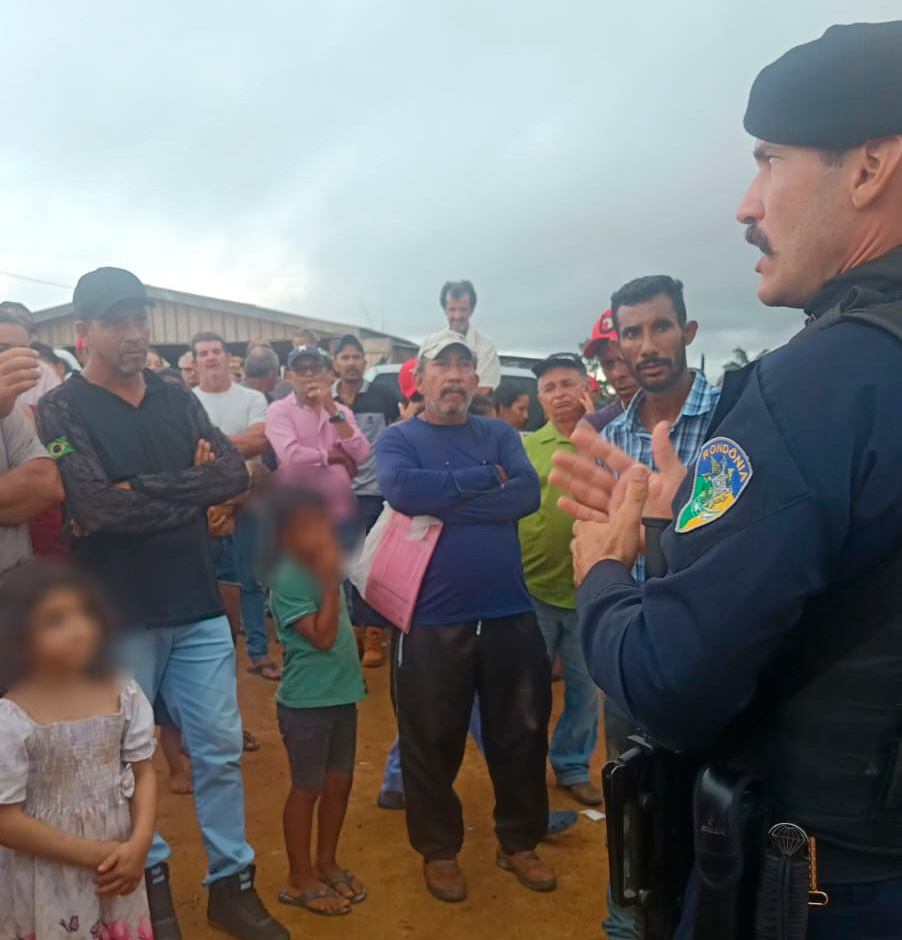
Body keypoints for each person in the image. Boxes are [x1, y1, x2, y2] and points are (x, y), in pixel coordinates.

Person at [555, 22, 902, 940]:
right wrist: (690, 525)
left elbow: (668, 678)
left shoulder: (821, 384)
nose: (746, 206)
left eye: (768, 161)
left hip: (835, 883)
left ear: (869, 168)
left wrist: (605, 567)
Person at [36, 267, 287, 940]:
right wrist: (187, 491)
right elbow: (90, 506)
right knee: (130, 762)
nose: (133, 332)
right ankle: (155, 898)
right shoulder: (61, 408)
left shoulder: (175, 397)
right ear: (84, 332)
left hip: (198, 606)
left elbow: (232, 473)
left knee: (219, 750)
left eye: (139, 318)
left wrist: (134, 492)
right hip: (118, 617)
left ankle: (232, 887)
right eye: (117, 321)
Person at [376, 329, 554, 903]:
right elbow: (403, 490)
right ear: (420, 378)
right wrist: (482, 482)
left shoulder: (500, 433)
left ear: (477, 382)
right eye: (441, 366)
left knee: (521, 732)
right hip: (429, 618)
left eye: (463, 367)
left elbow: (525, 495)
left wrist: (446, 502)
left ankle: (519, 841)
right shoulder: (400, 439)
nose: (453, 376)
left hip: (508, 611)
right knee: (430, 739)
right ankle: (439, 850)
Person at [595, 274, 720, 940]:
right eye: (633, 332)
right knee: (632, 792)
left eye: (661, 327)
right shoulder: (613, 435)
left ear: (687, 332)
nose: (647, 345)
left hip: (717, 646)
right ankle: (630, 921)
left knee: (712, 799)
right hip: (635, 647)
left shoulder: (736, 417)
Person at [0, 560, 156, 940]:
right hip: (46, 874)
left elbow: (145, 772)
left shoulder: (123, 692)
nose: (78, 630)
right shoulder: (12, 718)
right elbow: (6, 820)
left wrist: (139, 845)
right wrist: (102, 856)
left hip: (121, 866)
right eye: (55, 620)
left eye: (82, 613)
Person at [263, 486, 367, 917]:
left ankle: (326, 862)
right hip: (306, 703)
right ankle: (298, 877)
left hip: (342, 696)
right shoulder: (288, 577)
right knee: (307, 789)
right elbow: (323, 638)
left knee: (338, 784)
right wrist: (328, 584)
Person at [520, 352, 602, 806]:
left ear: (587, 386)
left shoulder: (609, 441)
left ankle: (571, 765)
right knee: (529, 689)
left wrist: (595, 436)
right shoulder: (527, 447)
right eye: (550, 388)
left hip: (590, 592)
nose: (559, 395)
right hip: (534, 589)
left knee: (586, 691)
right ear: (539, 399)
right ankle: (526, 769)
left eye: (568, 384)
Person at [192, 331, 277, 679]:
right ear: (195, 361)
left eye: (216, 351)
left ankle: (258, 653)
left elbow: (260, 438)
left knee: (253, 582)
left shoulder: (252, 397)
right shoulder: (186, 401)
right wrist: (235, 455)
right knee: (203, 585)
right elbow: (183, 451)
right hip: (203, 509)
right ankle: (214, 659)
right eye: (203, 353)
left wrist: (211, 447)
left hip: (249, 505)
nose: (211, 358)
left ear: (229, 358)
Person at [331, 335, 400, 667]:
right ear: (335, 363)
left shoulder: (383, 396)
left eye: (356, 357)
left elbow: (396, 435)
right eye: (344, 358)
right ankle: (350, 634)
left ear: (365, 361)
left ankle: (373, 632)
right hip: (334, 492)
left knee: (369, 562)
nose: (351, 363)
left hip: (374, 491)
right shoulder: (324, 400)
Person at [0, 310, 65, 572]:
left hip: (36, 563)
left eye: (24, 351)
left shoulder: (41, 414)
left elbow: (48, 483)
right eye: (3, 349)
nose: (14, 360)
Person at [266, 345, 369, 484]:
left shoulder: (340, 411)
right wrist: (333, 456)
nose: (309, 374)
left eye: (315, 368)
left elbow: (361, 453)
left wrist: (332, 410)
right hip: (299, 498)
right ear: (289, 376)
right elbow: (291, 455)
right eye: (301, 370)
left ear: (327, 373)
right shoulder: (279, 410)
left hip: (339, 498)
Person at [581, 309, 638, 433]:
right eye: (607, 363)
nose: (617, 373)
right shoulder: (597, 426)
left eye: (625, 360)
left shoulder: (687, 412)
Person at [440, 280, 501, 394]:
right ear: (445, 310)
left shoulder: (486, 348)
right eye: (452, 309)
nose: (457, 316)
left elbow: (484, 390)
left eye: (463, 309)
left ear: (471, 311)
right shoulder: (431, 345)